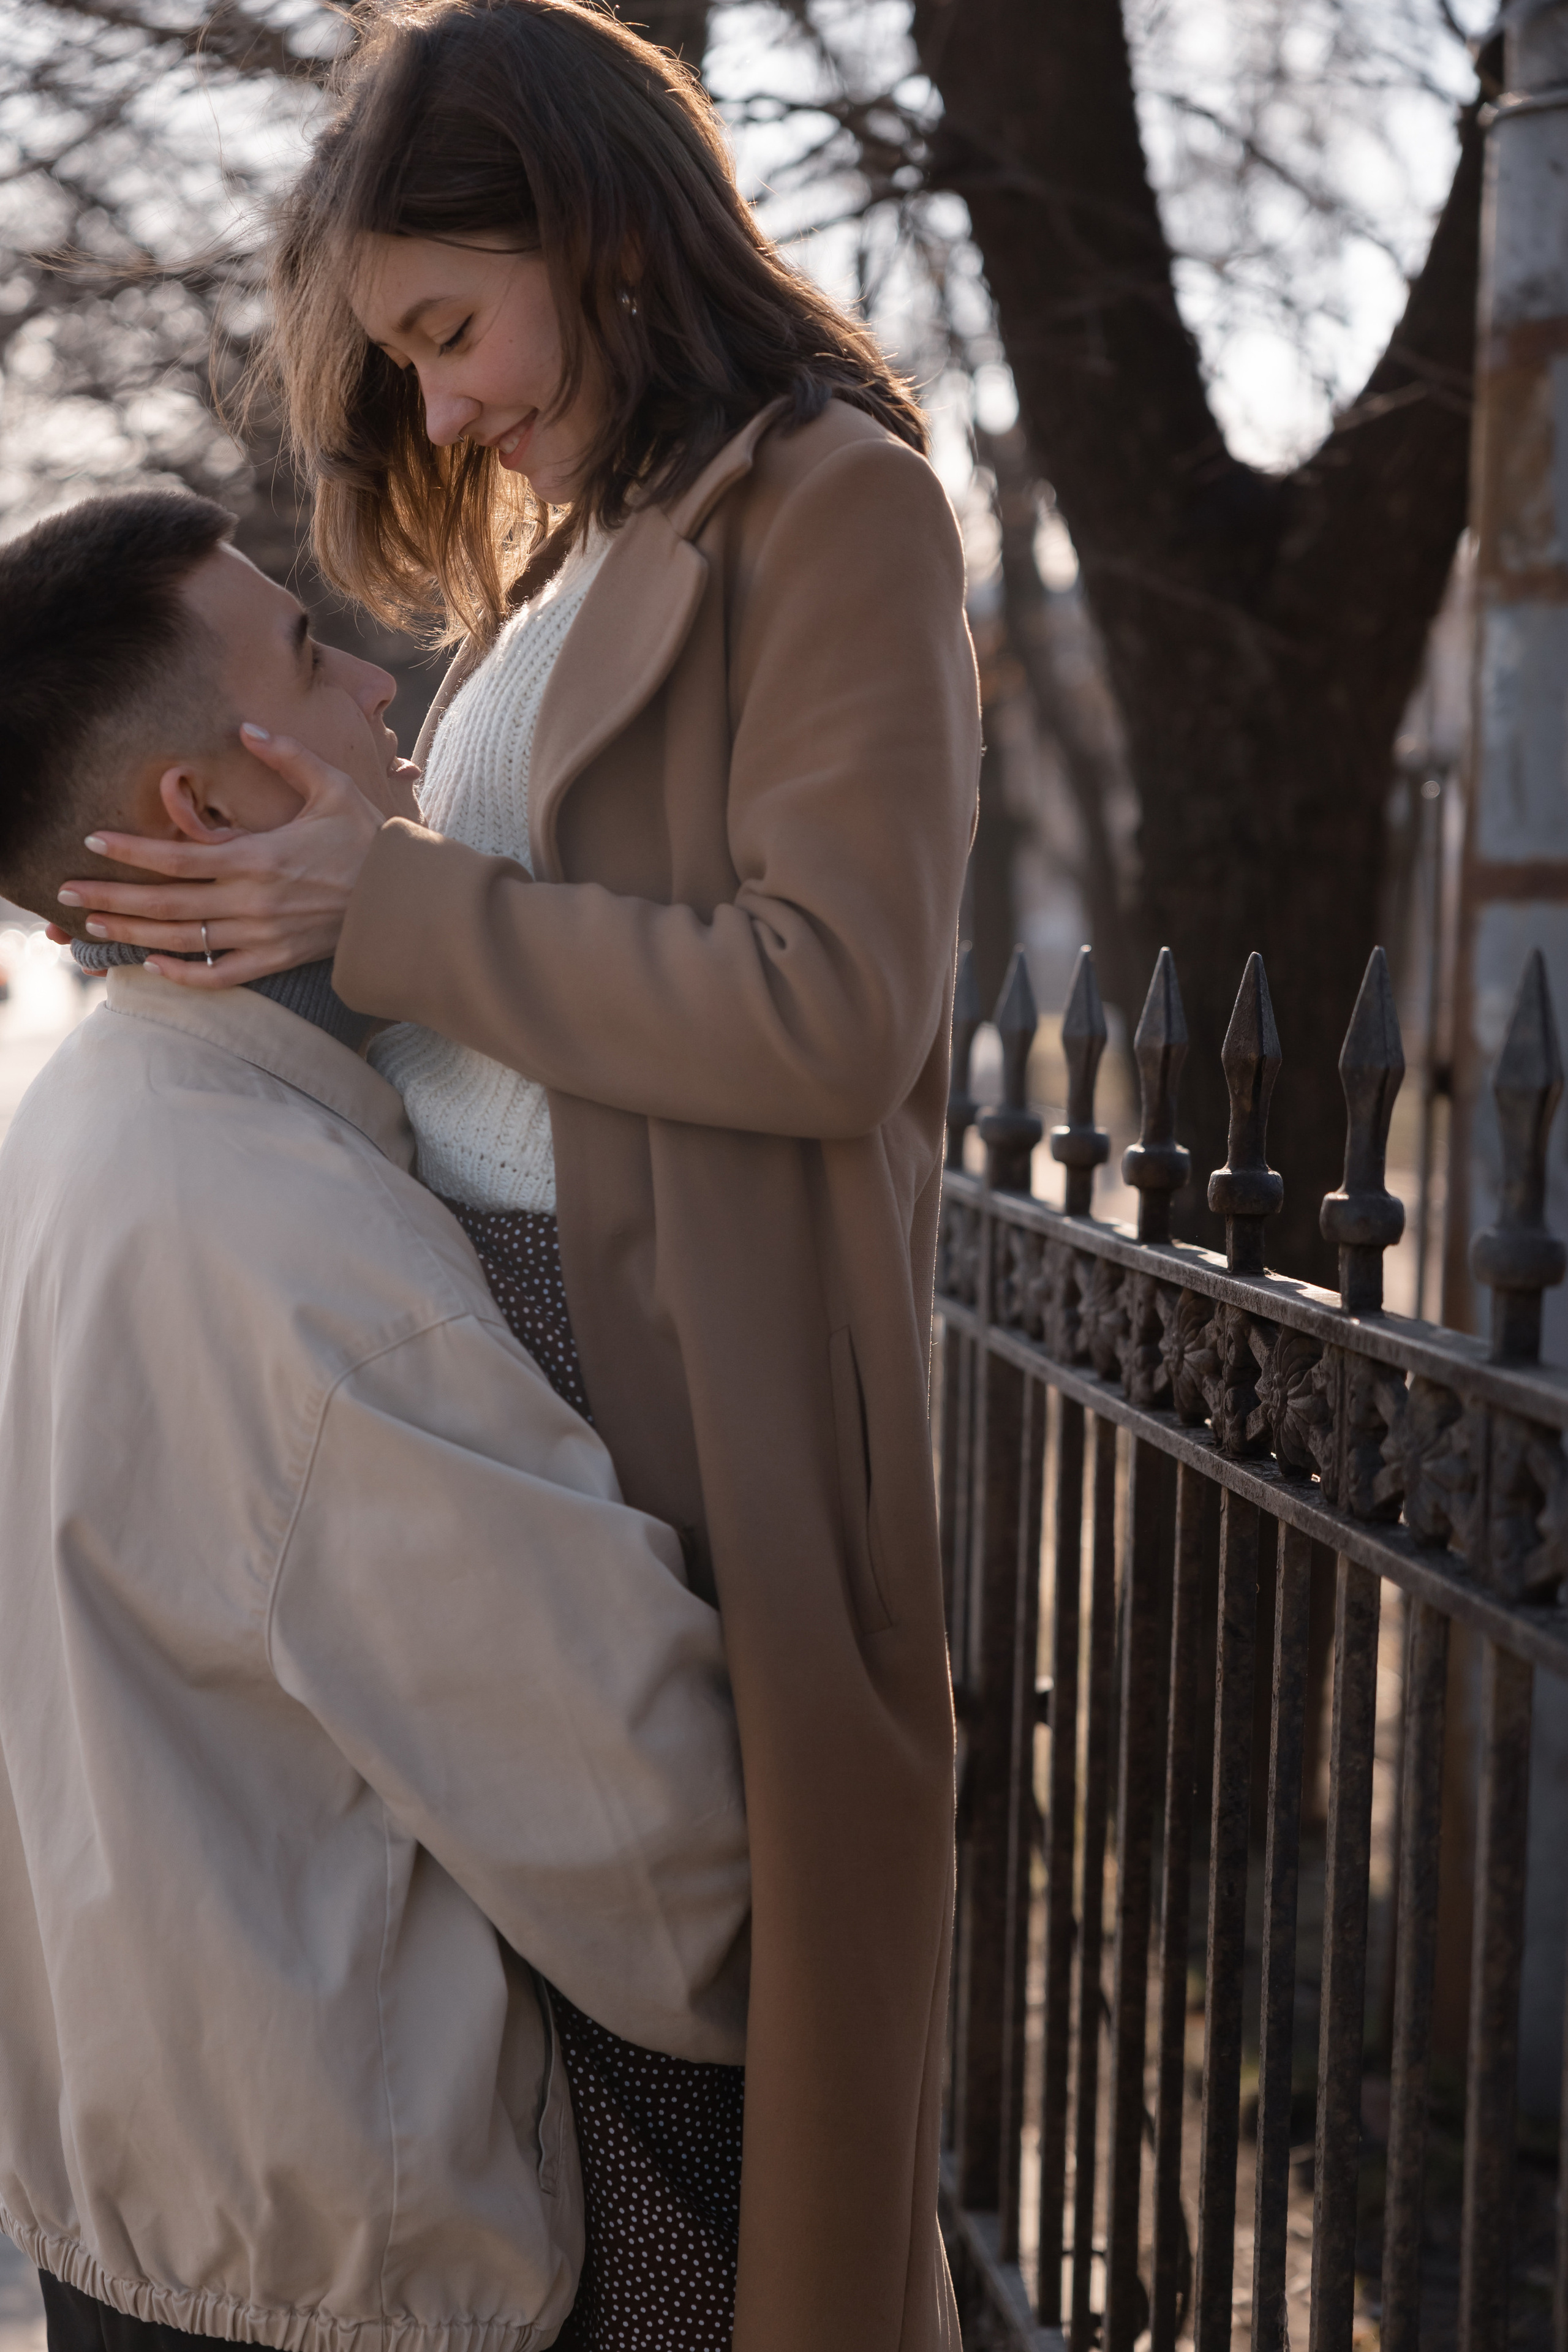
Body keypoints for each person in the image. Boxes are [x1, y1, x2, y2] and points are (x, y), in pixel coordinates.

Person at [55, 6, 982, 2346]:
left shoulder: (839, 507)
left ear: (592, 222)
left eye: (452, 328)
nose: (444, 407)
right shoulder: (583, 545)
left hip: (687, 1400)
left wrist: (384, 907)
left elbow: (834, 1002)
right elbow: (494, 992)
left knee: (706, 2176)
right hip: (503, 1377)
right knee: (543, 2154)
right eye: (411, 357)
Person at [0, 489, 751, 2352]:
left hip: (158, 2229)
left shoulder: (84, 1132)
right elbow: (666, 1866)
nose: (382, 683)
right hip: (366, 2277)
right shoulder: (305, 1257)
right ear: (214, 804)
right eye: (311, 656)